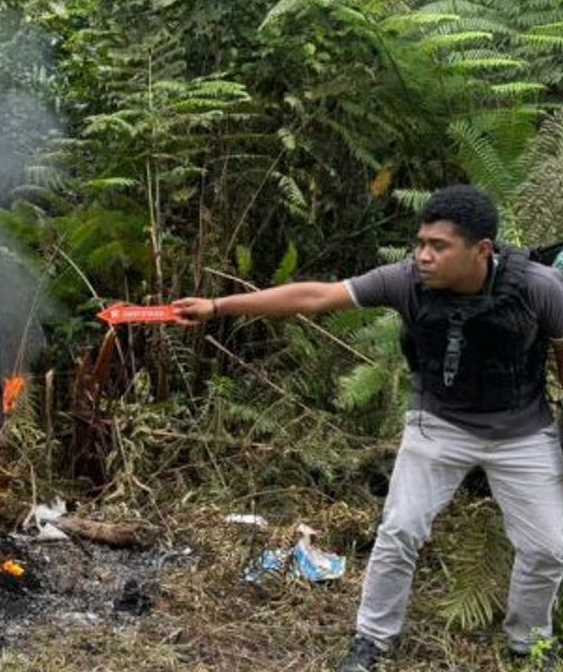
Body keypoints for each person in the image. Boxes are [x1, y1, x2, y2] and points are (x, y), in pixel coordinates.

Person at [172, 185, 563, 671]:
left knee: (548, 548)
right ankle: (371, 641)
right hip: (437, 424)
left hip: (521, 431)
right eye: (420, 242)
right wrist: (217, 307)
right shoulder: (404, 281)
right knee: (399, 529)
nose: (422, 255)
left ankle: (530, 644)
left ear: (481, 250)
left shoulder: (538, 288)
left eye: (438, 247)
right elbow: (317, 297)